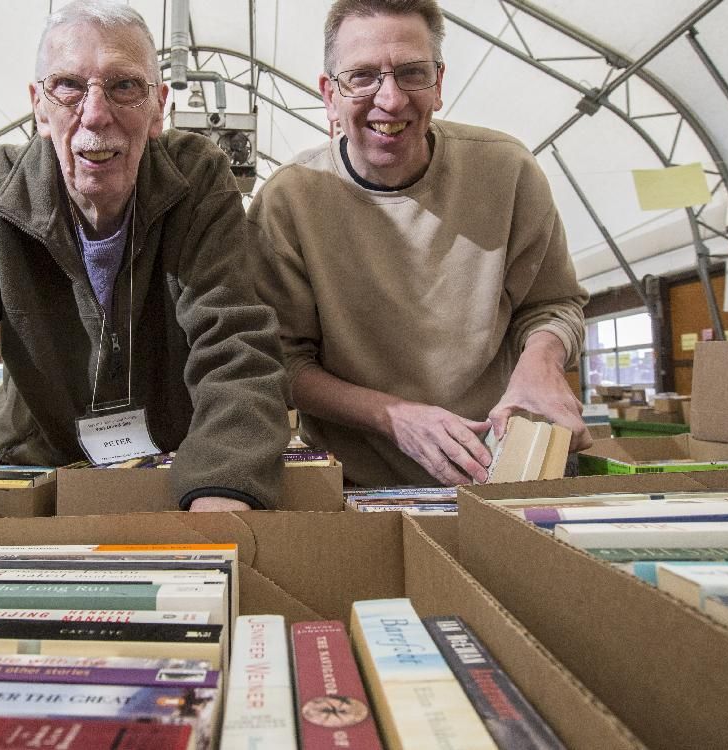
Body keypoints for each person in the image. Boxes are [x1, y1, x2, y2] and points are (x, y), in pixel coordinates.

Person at [0, 0, 288, 538]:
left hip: (172, 468)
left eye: (124, 86)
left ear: (158, 107)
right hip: (36, 467)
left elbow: (236, 343)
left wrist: (224, 484)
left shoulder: (198, 178)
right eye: (69, 86)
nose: (95, 114)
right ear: (38, 108)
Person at [249, 0, 591, 489]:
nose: (390, 100)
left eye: (412, 73)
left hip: (503, 477)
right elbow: (283, 359)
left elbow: (553, 304)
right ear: (329, 95)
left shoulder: (506, 172)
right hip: (356, 489)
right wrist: (393, 416)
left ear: (438, 84)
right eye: (362, 77)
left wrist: (541, 363)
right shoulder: (289, 201)